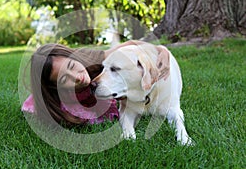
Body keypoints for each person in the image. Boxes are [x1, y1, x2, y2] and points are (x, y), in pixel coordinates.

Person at [21, 40, 170, 127]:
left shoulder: (88, 58)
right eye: (64, 79)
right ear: (56, 86)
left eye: (72, 66)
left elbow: (129, 45)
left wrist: (161, 50)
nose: (77, 77)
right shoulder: (59, 101)